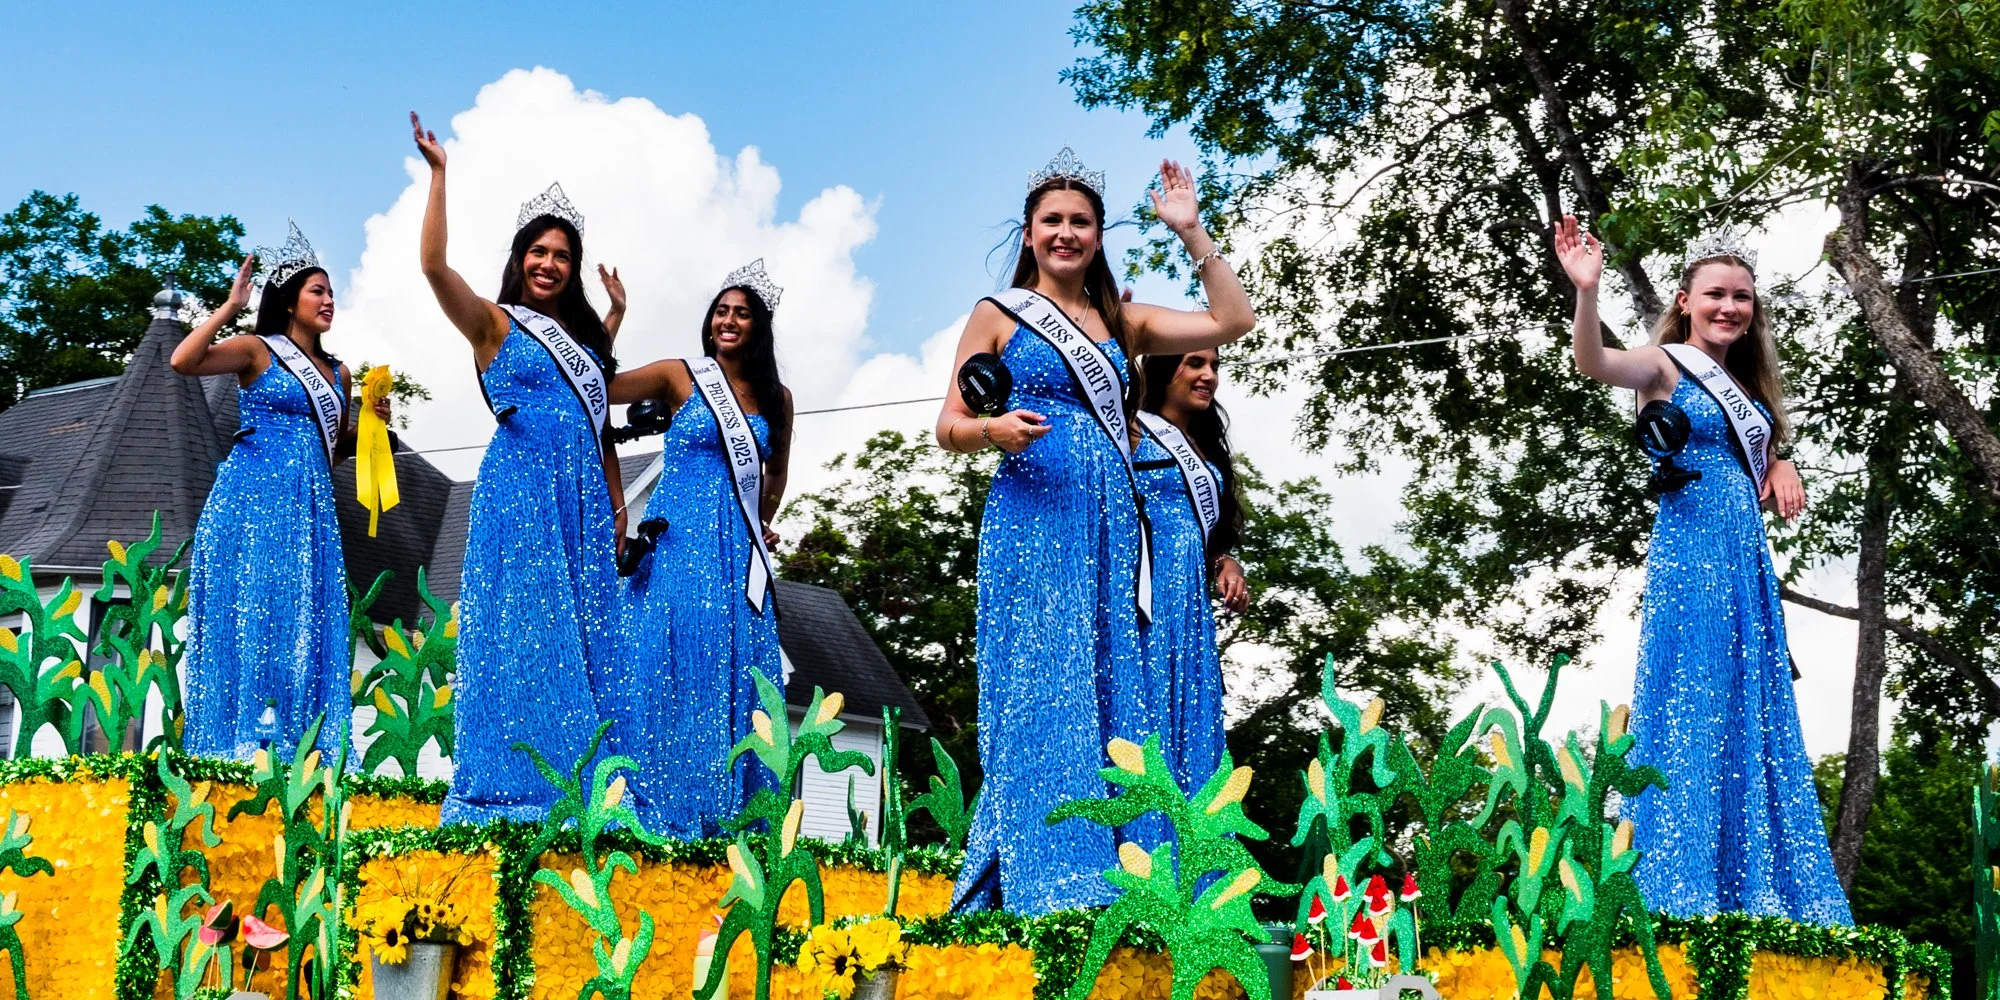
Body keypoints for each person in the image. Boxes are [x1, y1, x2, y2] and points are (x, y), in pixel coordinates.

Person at [935, 150, 1256, 914]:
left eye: (1081, 221)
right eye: (1053, 221)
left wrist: (1191, 230)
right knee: (1041, 680)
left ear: (1100, 235)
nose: (1066, 233)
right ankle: (1041, 870)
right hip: (1031, 513)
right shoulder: (998, 313)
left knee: (1109, 682)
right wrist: (992, 432)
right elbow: (947, 424)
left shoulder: (1124, 323)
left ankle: (1127, 869)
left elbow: (1235, 320)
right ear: (1030, 232)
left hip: (1111, 526)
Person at [1556, 215, 1850, 925]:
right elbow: (1594, 363)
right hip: (1691, 557)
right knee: (1692, 703)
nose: (1730, 307)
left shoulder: (1751, 396)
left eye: (1742, 298)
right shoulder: (1664, 365)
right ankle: (1678, 887)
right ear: (1686, 300)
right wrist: (1587, 293)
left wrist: (1780, 457)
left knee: (1745, 702)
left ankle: (1753, 882)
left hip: (1743, 561)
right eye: (1716, 293)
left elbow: (1757, 448)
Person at [411, 112, 628, 822]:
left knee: (579, 632)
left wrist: (615, 318)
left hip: (582, 503)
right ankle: (515, 782)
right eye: (538, 252)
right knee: (525, 628)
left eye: (562, 256)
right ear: (520, 258)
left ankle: (577, 780)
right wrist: (440, 175)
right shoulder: (493, 324)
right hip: (523, 491)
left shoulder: (583, 341)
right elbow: (435, 269)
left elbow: (590, 413)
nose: (549, 264)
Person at [171, 224, 384, 760]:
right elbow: (184, 361)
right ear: (290, 302)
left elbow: (328, 450)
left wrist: (370, 428)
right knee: (258, 608)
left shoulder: (339, 373)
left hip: (309, 509)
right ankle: (246, 740)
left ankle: (302, 741)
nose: (330, 300)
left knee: (302, 615)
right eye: (319, 291)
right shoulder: (256, 350)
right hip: (252, 502)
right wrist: (229, 307)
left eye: (332, 292)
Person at [606, 260, 794, 836]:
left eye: (742, 313)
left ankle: (729, 813)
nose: (729, 321)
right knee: (665, 659)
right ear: (709, 322)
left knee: (732, 666)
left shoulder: (776, 397)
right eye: (721, 311)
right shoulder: (680, 376)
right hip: (679, 541)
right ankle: (653, 800)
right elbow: (599, 387)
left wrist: (762, 521)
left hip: (735, 555)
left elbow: (777, 473)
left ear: (758, 328)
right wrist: (614, 316)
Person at [1133, 349, 1248, 800]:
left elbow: (1206, 539)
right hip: (1141, 599)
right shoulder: (1132, 428)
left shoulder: (1206, 446)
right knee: (1147, 716)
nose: (1209, 376)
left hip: (1190, 612)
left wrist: (1226, 563)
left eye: (1215, 367)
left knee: (1191, 720)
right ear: (1164, 368)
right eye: (1196, 363)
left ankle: (1196, 853)